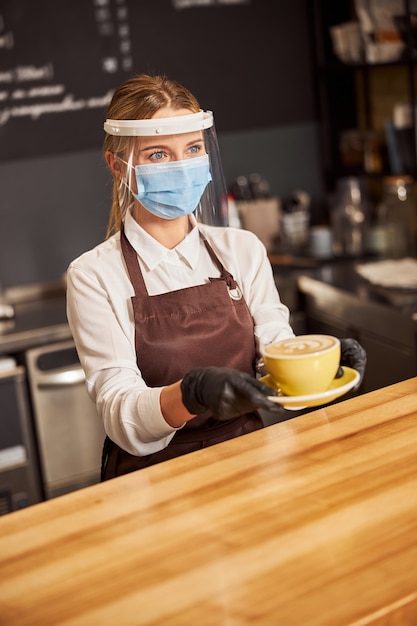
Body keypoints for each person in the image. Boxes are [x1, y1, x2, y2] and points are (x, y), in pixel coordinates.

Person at [66, 74, 366, 480]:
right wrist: (189, 395)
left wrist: (321, 364)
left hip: (252, 462)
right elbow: (121, 416)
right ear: (118, 166)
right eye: (158, 155)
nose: (181, 167)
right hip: (153, 480)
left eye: (192, 149)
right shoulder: (93, 276)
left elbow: (275, 353)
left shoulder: (242, 249)